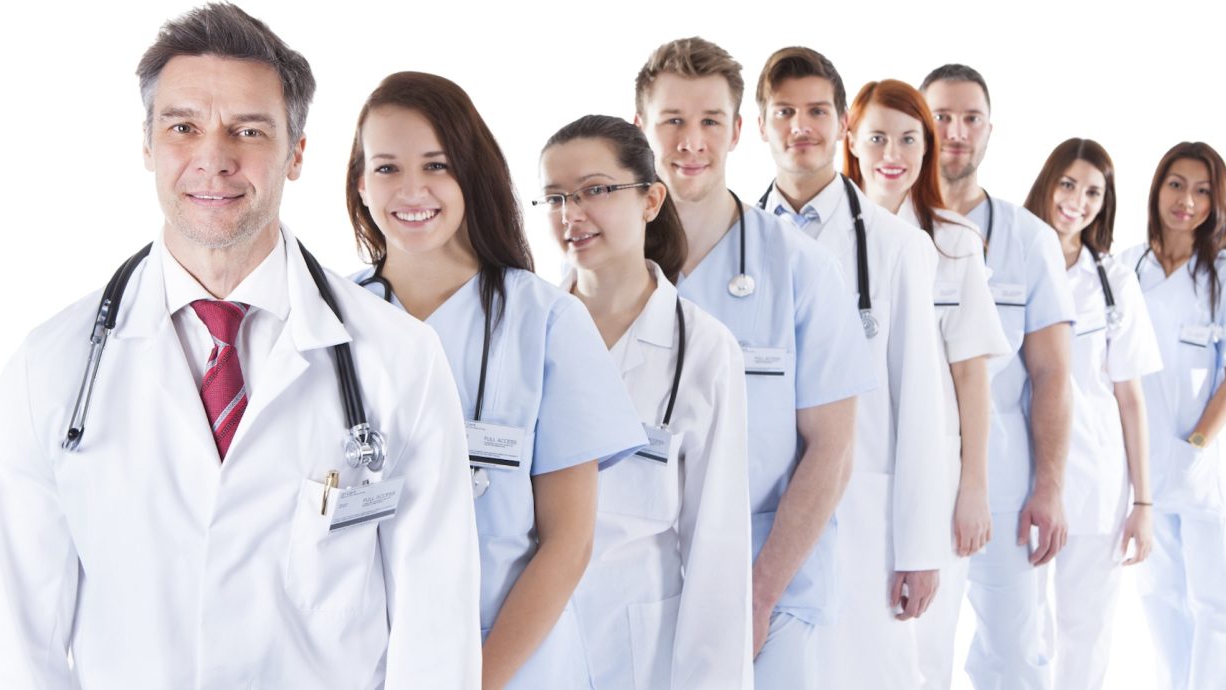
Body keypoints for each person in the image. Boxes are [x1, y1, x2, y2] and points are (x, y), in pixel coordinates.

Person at [0, 5, 481, 688]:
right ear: (147, 146)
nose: (213, 159)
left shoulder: (400, 360)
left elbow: (436, 636)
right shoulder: (49, 369)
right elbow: (22, 648)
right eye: (183, 127)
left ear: (297, 152)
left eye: (248, 130)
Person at [345, 73, 647, 690]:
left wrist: (477, 682)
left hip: (511, 667)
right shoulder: (330, 322)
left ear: (471, 174)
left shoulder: (547, 320)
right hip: (362, 661)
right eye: (387, 168)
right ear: (360, 184)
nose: (412, 189)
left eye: (437, 165)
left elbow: (569, 542)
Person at [634, 37, 874, 688]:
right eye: (672, 120)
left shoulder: (800, 267)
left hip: (768, 581)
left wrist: (759, 593)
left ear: (738, 130)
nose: (692, 141)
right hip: (638, 579)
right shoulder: (607, 266)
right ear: (640, 126)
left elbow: (832, 449)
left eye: (710, 121)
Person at [754, 49, 949, 689]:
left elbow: (921, 403)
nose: (800, 126)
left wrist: (919, 548)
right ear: (760, 126)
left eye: (816, 111)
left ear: (842, 124)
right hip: (758, 512)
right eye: (784, 112)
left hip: (862, 512)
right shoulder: (733, 242)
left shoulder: (896, 247)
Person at [540, 114, 753, 690]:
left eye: (595, 190)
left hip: (640, 647)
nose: (571, 214)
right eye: (555, 197)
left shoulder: (704, 349)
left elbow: (717, 547)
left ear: (651, 200)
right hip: (532, 633)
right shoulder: (525, 331)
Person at [842, 78, 1010, 689]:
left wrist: (973, 488)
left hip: (933, 480)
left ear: (927, 147)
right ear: (850, 141)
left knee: (925, 654)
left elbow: (971, 375)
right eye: (877, 138)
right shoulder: (817, 242)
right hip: (841, 476)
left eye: (909, 139)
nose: (893, 154)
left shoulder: (955, 243)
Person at [920, 63, 1076, 689]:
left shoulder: (1029, 239)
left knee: (1013, 651)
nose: (956, 131)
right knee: (912, 648)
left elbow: (1053, 374)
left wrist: (1049, 487)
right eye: (941, 117)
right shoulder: (888, 231)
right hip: (915, 463)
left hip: (1007, 472)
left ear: (990, 130)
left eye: (971, 118)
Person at [1119, 142, 1226, 690]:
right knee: (1158, 595)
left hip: (1194, 461)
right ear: (1157, 189)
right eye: (1177, 184)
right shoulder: (1127, 268)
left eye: (1202, 191)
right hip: (1138, 464)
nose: (1187, 200)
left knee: (1213, 599)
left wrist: (1197, 444)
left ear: (1216, 202)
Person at [1024, 138, 1162, 690]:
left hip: (1094, 479)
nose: (1076, 202)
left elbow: (1130, 397)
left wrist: (1143, 503)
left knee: (1086, 630)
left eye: (1092, 193)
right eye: (1067, 184)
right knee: (1022, 629)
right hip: (1020, 473)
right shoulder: (1004, 262)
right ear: (1047, 182)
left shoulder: (1114, 280)